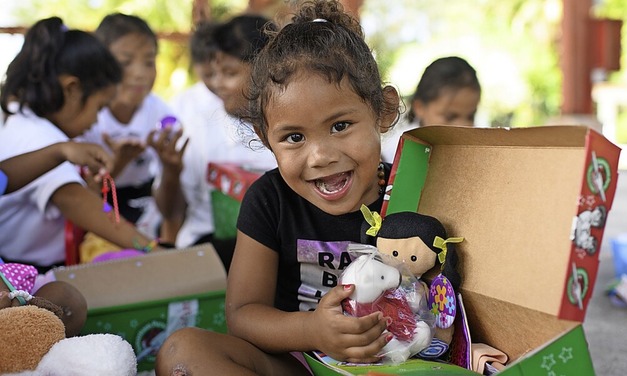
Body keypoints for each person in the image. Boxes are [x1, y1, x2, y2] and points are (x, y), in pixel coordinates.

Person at [154, 0, 401, 374]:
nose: (319, 156)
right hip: (300, 363)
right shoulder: (269, 200)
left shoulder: (410, 191)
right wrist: (313, 330)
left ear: (382, 111)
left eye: (340, 126)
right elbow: (243, 313)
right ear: (265, 138)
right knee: (182, 352)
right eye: (294, 137)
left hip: (399, 360)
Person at [0, 17, 157, 273]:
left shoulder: (26, 120)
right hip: (26, 270)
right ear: (72, 89)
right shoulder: (37, 135)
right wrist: (152, 248)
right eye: (99, 107)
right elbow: (77, 201)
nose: (96, 120)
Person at [152, 15, 277, 270]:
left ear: (267, 70)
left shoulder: (294, 127)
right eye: (214, 72)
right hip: (208, 251)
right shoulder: (197, 126)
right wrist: (171, 173)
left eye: (229, 73)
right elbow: (170, 213)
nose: (217, 84)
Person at [77, 13, 175, 240]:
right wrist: (117, 165)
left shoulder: (162, 115)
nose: (140, 73)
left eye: (149, 62)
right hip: (94, 214)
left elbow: (171, 209)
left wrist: (172, 169)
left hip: (144, 211)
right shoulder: (86, 118)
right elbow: (78, 200)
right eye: (125, 62)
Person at [381, 56, 481, 163]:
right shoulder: (396, 153)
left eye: (471, 116)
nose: (463, 126)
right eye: (450, 117)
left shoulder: (478, 152)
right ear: (420, 108)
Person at [0, 141, 113, 196]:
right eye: (99, 107)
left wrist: (62, 150)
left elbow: (4, 179)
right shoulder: (40, 137)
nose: (96, 121)